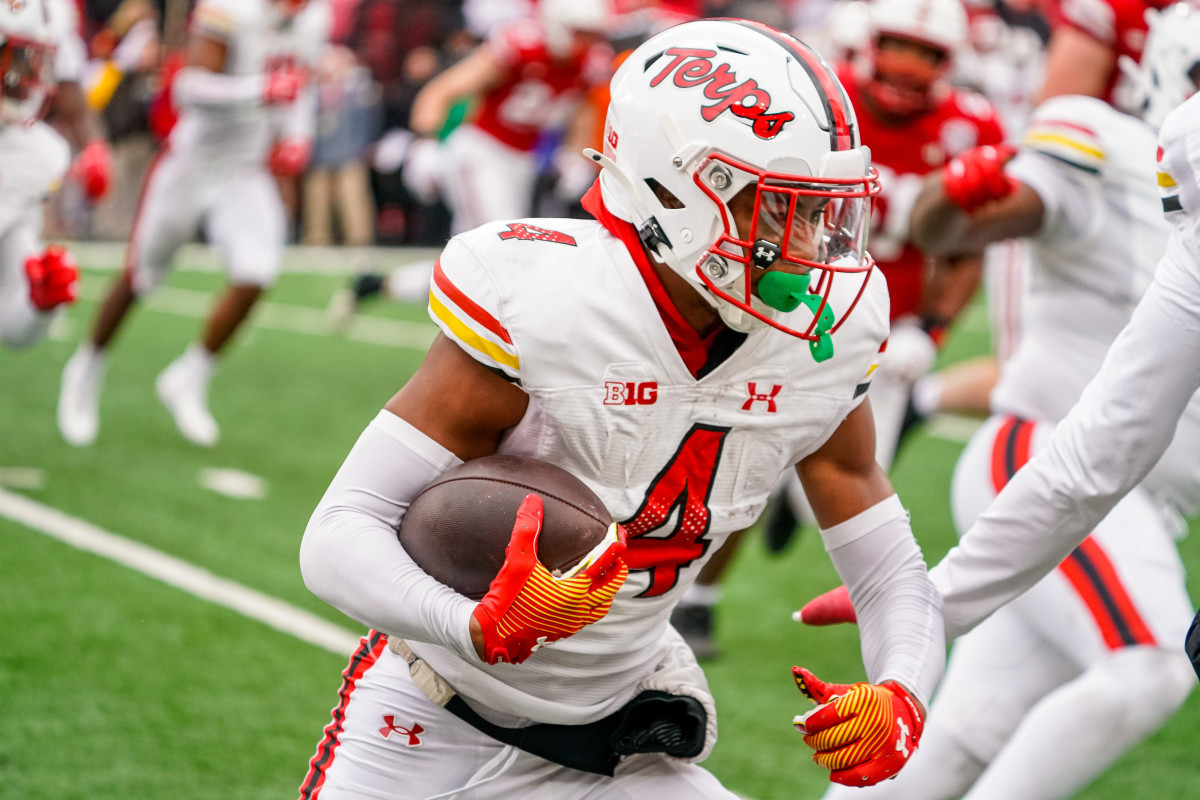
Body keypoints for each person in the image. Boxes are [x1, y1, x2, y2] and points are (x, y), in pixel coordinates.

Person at [298, 19, 946, 798]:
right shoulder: (548, 298)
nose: (810, 242)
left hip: (619, 743)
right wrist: (468, 622)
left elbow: (886, 567)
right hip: (433, 728)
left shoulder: (831, 334)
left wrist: (905, 686)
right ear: (672, 189)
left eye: (819, 210)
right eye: (777, 208)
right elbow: (338, 532)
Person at [802, 5, 1200, 797]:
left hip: (1133, 504)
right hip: (1051, 452)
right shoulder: (1110, 143)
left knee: (951, 739)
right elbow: (952, 225)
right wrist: (954, 198)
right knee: (1148, 666)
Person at [670, 0, 1006, 659]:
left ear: (951, 63)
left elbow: (969, 248)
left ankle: (818, 532)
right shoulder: (819, 100)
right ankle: (699, 598)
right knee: (749, 460)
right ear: (869, 41)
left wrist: (930, 330)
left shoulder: (970, 127)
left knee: (842, 471)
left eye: (928, 53)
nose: (909, 65)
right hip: (791, 302)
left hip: (886, 322)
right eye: (899, 45)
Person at [56, 0, 330, 448]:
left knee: (257, 272)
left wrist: (298, 138)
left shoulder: (312, 18)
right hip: (191, 164)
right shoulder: (230, 9)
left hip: (246, 167)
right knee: (140, 276)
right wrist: (260, 90)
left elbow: (301, 85)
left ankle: (190, 375)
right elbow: (189, 88)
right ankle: (86, 365)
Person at [326, 0, 614, 322]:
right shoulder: (523, 46)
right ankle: (493, 339)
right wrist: (424, 143)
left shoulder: (590, 62)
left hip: (521, 163)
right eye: (582, 33)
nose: (589, 42)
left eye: (593, 34)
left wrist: (574, 155)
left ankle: (377, 285)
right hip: (481, 152)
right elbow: (446, 89)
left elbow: (582, 111)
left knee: (476, 262)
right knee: (502, 252)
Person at [0, 0, 79, 350]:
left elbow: (11, 329)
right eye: (18, 56)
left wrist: (42, 304)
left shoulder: (32, 156)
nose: (31, 74)